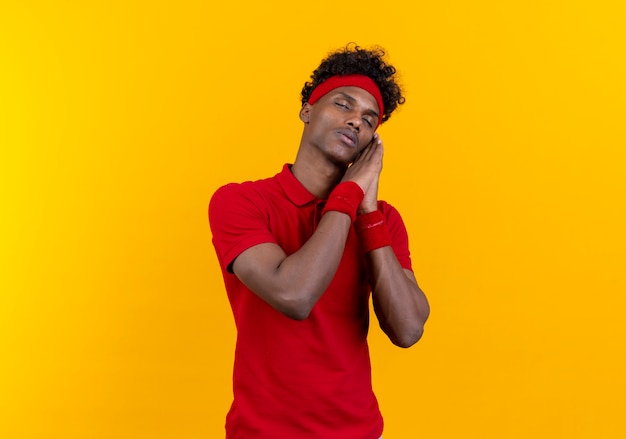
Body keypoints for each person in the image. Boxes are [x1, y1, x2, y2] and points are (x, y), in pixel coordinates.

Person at [209, 43, 430, 439]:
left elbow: (408, 329)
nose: (356, 122)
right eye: (343, 105)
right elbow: (294, 295)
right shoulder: (241, 201)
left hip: (359, 431)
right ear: (307, 110)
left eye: (369, 118)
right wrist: (348, 195)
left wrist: (366, 213)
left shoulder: (383, 220)